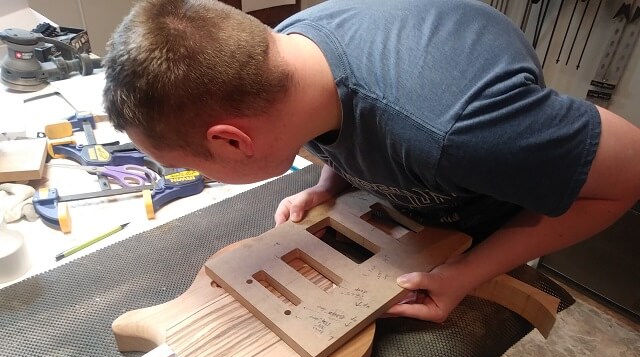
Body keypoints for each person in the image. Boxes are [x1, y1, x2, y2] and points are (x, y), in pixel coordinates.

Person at [102, 0, 640, 323]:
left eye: (196, 168)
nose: (200, 179)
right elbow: (345, 114)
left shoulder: (461, 133)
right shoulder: (282, 58)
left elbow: (629, 172)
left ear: (232, 141)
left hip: (479, 189)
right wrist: (331, 182)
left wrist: (466, 273)